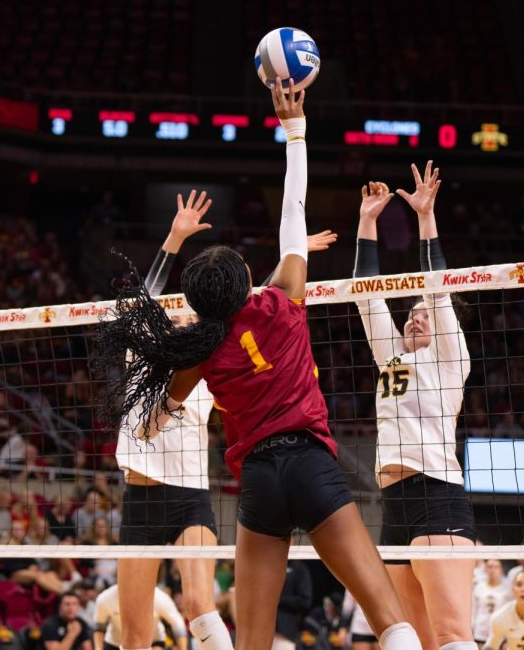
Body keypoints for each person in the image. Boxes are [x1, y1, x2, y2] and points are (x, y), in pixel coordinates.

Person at [96, 80, 423, 650]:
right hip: (313, 468)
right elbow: (293, 204)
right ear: (248, 283)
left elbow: (154, 416)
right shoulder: (281, 302)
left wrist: (147, 418)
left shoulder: (200, 348)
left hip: (258, 485)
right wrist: (293, 129)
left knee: (250, 641)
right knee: (390, 622)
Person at [351, 164, 475, 650]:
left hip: (437, 498)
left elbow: (437, 288)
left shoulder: (450, 358)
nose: (416, 318)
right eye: (412, 314)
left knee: (450, 636)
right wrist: (367, 222)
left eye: (424, 314)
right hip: (394, 506)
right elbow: (367, 299)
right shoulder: (391, 359)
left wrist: (425, 217)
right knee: (406, 641)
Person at [114, 190, 234, 650]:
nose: (179, 315)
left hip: (190, 499)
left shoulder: (206, 370)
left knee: (199, 606)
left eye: (188, 313)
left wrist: (292, 256)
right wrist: (174, 237)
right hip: (140, 502)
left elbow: (241, 304)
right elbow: (147, 297)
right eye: (173, 312)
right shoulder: (140, 356)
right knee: (136, 636)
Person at [92, 584, 186, 650]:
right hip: (114, 642)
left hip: (153, 641)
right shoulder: (105, 598)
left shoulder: (160, 598)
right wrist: (98, 648)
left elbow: (178, 625)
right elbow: (99, 626)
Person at [473, 560, 513, 649]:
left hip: (501, 631)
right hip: (481, 631)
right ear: (485, 569)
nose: (492, 570)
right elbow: (473, 610)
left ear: (501, 570)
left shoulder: (508, 589)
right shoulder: (479, 587)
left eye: (496, 567)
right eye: (489, 567)